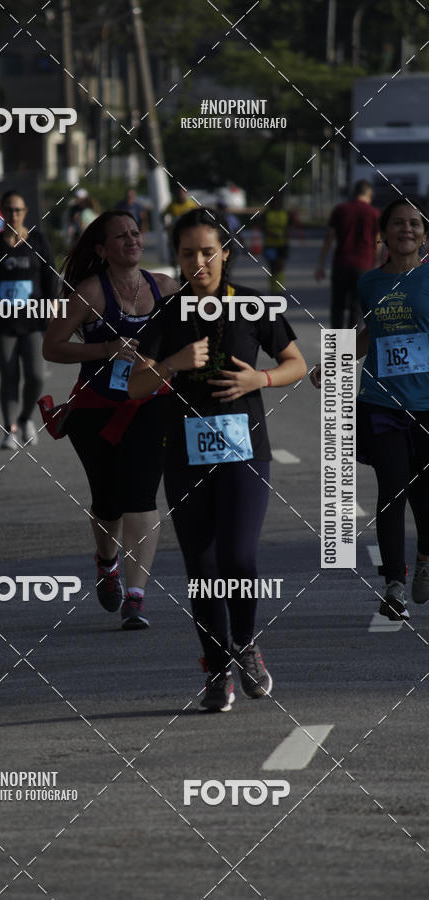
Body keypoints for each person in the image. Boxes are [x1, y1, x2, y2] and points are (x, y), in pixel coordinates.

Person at [128, 207, 307, 711]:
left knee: (238, 558)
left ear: (225, 253)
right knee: (203, 568)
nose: (199, 263)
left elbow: (295, 363)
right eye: (188, 254)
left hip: (245, 450)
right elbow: (136, 385)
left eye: (208, 252)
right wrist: (172, 363)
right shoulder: (168, 314)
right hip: (185, 455)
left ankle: (245, 646)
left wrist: (259, 379)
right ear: (177, 257)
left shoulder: (252, 305)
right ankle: (216, 668)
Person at [42, 210, 177, 629]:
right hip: (96, 409)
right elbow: (52, 347)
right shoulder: (90, 293)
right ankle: (107, 562)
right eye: (120, 237)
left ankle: (135, 596)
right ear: (101, 249)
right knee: (107, 502)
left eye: (135, 233)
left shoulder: (166, 288)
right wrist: (105, 349)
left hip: (151, 405)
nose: (131, 240)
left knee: (141, 496)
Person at [311, 197, 429, 621]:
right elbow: (369, 333)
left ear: (424, 234)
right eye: (398, 223)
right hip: (381, 402)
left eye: (415, 223)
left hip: (427, 406)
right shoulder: (369, 283)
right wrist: (335, 360)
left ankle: (425, 557)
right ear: (383, 232)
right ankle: (394, 584)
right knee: (392, 489)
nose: (406, 229)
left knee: (424, 494)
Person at [0, 190, 58, 449]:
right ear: (1, 212)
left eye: (18, 210)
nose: (13, 214)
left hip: (33, 322)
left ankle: (26, 418)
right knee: (9, 376)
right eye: (8, 210)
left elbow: (51, 280)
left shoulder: (37, 241)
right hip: (2, 322)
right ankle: (10, 429)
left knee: (36, 376)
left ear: (25, 212)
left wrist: (54, 312)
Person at [316, 179, 381, 328]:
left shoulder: (340, 210)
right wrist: (376, 264)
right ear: (369, 194)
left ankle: (336, 343)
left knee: (337, 307)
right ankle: (352, 343)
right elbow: (378, 242)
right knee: (356, 308)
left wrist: (321, 265)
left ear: (354, 193)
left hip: (341, 264)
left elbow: (329, 238)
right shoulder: (374, 213)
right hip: (364, 265)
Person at [261, 195, 297, 294]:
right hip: (269, 245)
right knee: (272, 267)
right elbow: (262, 227)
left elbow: (292, 225)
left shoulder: (286, 213)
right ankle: (273, 289)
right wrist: (271, 234)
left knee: (280, 266)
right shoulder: (266, 214)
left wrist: (287, 232)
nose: (276, 203)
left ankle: (279, 289)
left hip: (282, 244)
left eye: (278, 201)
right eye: (274, 201)